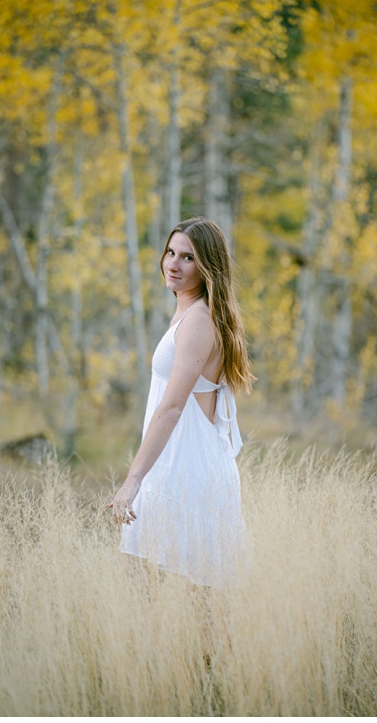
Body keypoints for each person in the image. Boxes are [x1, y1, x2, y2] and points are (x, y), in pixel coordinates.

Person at [109, 217, 253, 588]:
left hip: (186, 473)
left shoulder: (199, 321)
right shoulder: (191, 314)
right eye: (170, 253)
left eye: (187, 258)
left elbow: (172, 407)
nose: (173, 264)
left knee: (181, 596)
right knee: (149, 587)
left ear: (208, 267)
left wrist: (132, 481)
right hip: (173, 466)